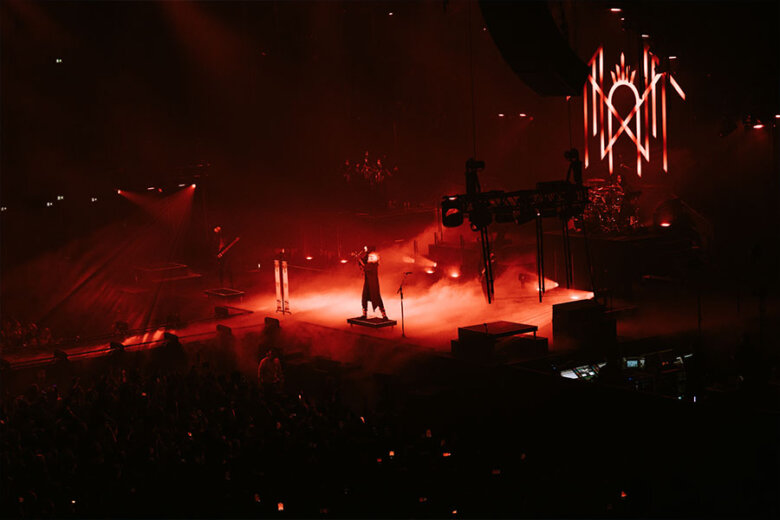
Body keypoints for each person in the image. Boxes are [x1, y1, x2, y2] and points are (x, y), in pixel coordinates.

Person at [357, 246, 388, 320]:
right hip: (368, 280)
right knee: (364, 296)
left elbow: (367, 267)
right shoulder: (369, 256)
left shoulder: (374, 257)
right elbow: (363, 262)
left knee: (376, 296)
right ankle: (364, 314)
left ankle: (384, 315)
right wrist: (358, 258)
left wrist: (360, 260)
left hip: (373, 281)